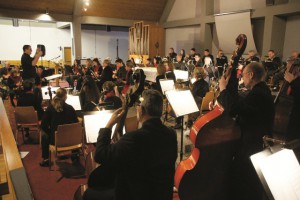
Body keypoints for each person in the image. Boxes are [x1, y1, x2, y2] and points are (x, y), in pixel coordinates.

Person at [84, 89, 177, 200]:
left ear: (141, 110)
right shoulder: (171, 134)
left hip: (136, 195)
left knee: (88, 194)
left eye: (138, 106)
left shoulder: (134, 138)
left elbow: (99, 154)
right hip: (162, 194)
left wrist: (108, 125)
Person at [218, 62, 275, 200]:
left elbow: (235, 110)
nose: (242, 79)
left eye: (243, 75)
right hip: (253, 144)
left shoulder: (258, 94)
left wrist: (223, 90)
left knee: (244, 183)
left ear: (251, 75)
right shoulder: (261, 91)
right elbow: (241, 106)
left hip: (251, 147)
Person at [40, 88, 78, 166]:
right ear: (65, 97)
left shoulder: (50, 108)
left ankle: (46, 159)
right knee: (76, 130)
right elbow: (76, 124)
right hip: (71, 140)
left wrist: (50, 133)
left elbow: (43, 125)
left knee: (44, 135)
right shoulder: (70, 108)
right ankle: (75, 155)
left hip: (55, 140)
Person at [284, 58, 300, 141]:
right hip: (289, 117)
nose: (288, 71)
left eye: (290, 68)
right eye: (287, 68)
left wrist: (292, 81)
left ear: (297, 68)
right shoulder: (292, 81)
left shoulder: (295, 82)